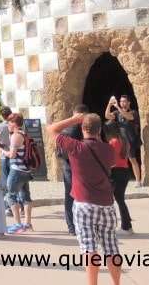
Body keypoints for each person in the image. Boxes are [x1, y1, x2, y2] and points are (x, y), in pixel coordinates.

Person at [48, 111, 121, 285]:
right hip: (107, 205)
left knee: (89, 248)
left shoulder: (75, 147)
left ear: (82, 128)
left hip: (84, 205)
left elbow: (51, 129)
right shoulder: (109, 149)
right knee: (111, 248)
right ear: (100, 130)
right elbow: (110, 163)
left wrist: (74, 119)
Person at [60, 102, 90, 236]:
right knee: (79, 196)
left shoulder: (65, 128)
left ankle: (71, 226)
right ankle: (77, 226)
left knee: (70, 195)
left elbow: (59, 151)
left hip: (67, 165)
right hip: (76, 166)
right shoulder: (80, 129)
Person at [5, 113, 34, 233]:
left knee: (11, 196)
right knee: (25, 197)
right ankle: (27, 224)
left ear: (14, 123)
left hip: (17, 170)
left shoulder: (15, 136)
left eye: (9, 122)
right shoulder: (24, 134)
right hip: (25, 170)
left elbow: (12, 154)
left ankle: (18, 224)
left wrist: (3, 152)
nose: (8, 125)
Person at [104, 122, 133, 233]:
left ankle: (123, 226)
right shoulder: (124, 141)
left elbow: (109, 160)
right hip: (125, 171)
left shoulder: (113, 142)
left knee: (109, 201)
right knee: (120, 200)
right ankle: (127, 225)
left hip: (115, 172)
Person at [105, 95, 141, 185]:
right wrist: (109, 104)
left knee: (132, 160)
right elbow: (107, 116)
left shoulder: (133, 112)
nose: (122, 103)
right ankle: (115, 179)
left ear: (129, 103)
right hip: (120, 141)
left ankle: (138, 181)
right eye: (121, 101)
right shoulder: (117, 113)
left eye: (124, 101)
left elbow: (129, 117)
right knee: (115, 160)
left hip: (130, 141)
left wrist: (117, 107)